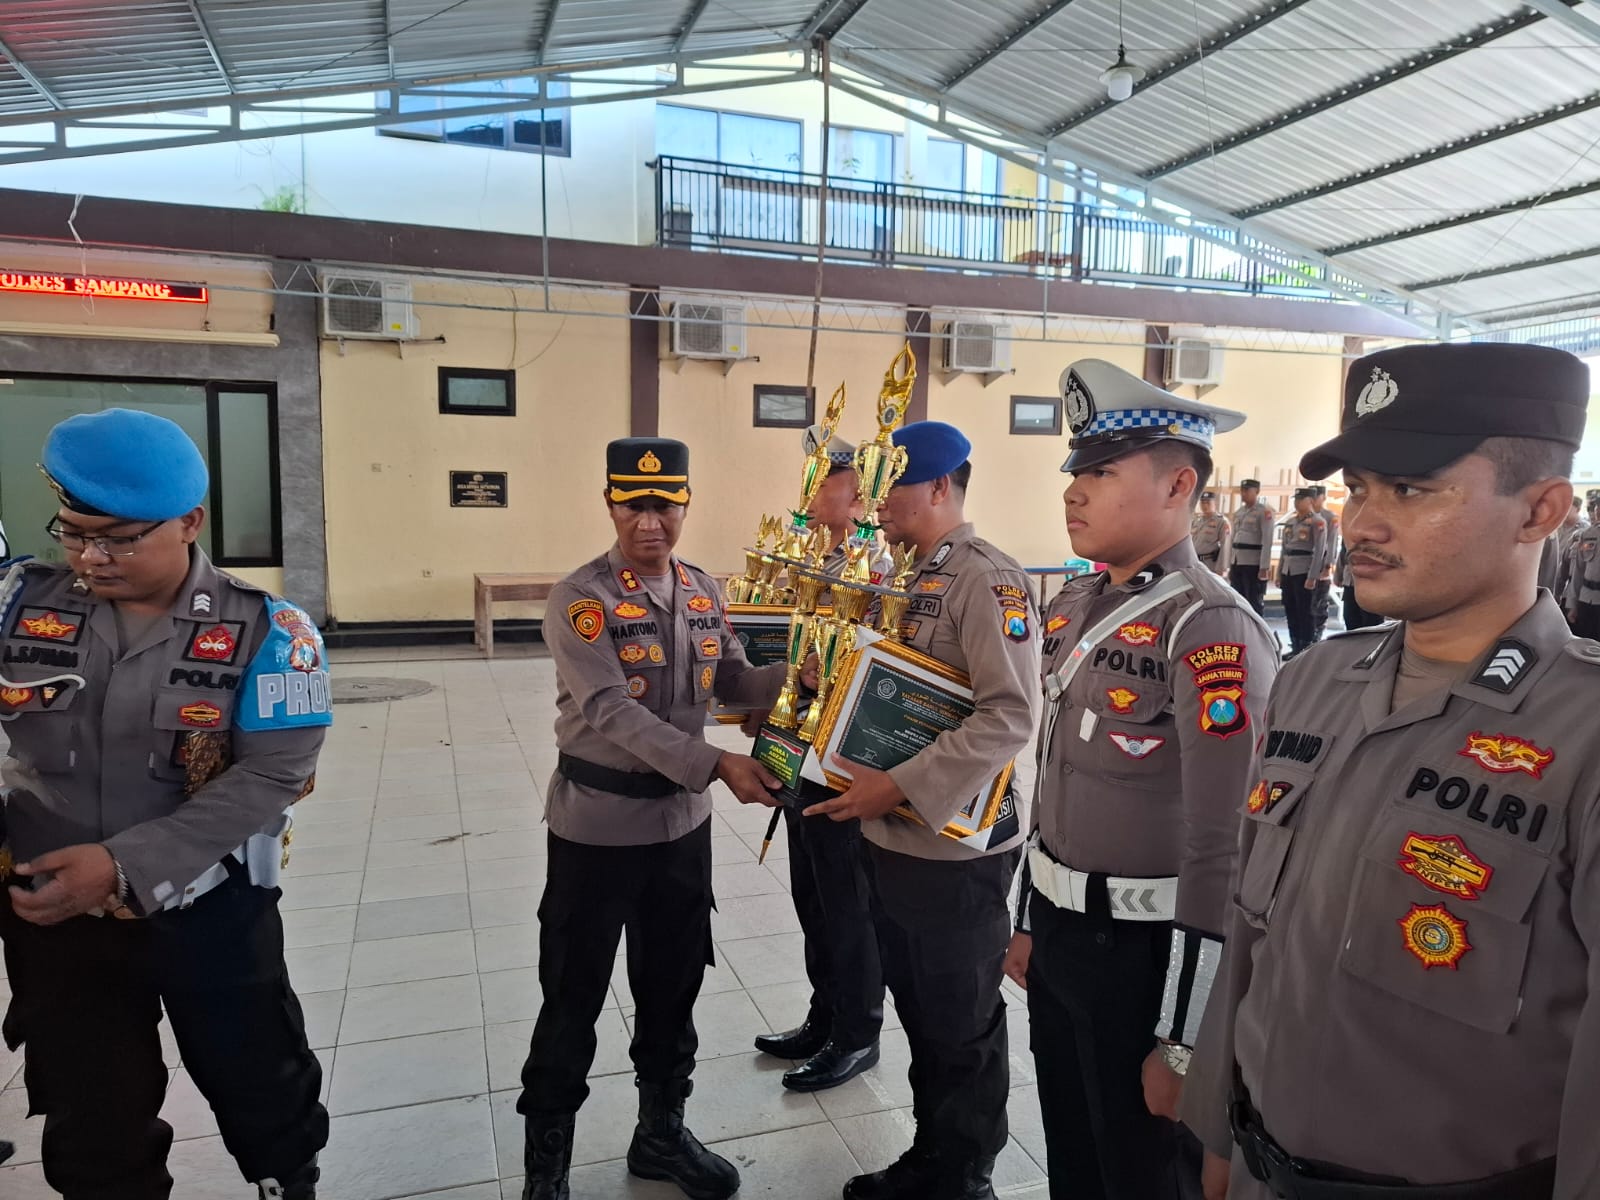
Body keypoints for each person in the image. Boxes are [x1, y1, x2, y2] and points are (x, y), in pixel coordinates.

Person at [1182, 342, 1596, 1200]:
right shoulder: (1314, 682)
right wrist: (1217, 1136)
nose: (1362, 523)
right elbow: (1252, 935)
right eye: (1359, 488)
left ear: (1540, 510)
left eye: (1410, 490)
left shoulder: (1583, 735)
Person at [0, 408, 331, 1199]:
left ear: (190, 522)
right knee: (92, 1117)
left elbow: (273, 775)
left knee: (261, 1083)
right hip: (57, 923)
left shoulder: (271, 632)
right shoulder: (16, 607)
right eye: (74, 533)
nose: (91, 556)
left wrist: (123, 865)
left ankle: (287, 1181)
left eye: (119, 538)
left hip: (207, 909)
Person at [1005, 360, 1277, 1200]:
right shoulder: (1075, 603)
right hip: (1061, 934)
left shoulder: (1209, 626)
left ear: (1178, 484)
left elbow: (1225, 845)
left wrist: (1186, 1039)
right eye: (1076, 472)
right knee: (1074, 1153)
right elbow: (1052, 774)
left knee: (1142, 1173)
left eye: (1101, 472)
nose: (1074, 492)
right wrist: (1029, 919)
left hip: (1146, 957)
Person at [516, 438, 788, 1200]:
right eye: (633, 504)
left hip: (680, 833)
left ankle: (661, 1135)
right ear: (609, 504)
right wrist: (719, 765)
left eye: (664, 504)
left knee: (673, 990)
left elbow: (735, 682)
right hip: (596, 832)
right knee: (572, 996)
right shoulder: (581, 601)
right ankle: (547, 1167)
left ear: (684, 505)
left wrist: (805, 676)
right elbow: (610, 711)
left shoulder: (702, 592)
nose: (649, 521)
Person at [802, 421, 1040, 1200]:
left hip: (954, 848)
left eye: (893, 484)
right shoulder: (908, 574)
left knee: (960, 1019)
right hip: (897, 838)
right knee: (922, 1009)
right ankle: (934, 1155)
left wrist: (898, 785)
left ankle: (966, 1174)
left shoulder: (985, 579)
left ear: (940, 486)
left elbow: (1009, 716)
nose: (877, 500)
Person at [753, 435, 888, 1093]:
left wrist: (825, 672)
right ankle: (824, 1014)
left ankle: (857, 1032)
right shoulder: (814, 557)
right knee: (811, 893)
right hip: (799, 747)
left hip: (843, 759)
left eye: (823, 478)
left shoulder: (878, 564)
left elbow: (882, 661)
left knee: (846, 901)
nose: (809, 488)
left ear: (858, 493)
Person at [1276, 489, 1326, 659]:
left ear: (1310, 500)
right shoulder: (1291, 522)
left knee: (1305, 611)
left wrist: (1313, 576)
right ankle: (1295, 644)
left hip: (1303, 571)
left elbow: (1319, 551)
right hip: (1288, 569)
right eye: (1295, 499)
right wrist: (1279, 573)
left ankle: (1306, 648)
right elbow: (1284, 550)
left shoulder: (1317, 522)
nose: (1296, 503)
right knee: (1290, 608)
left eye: (1300, 499)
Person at [1228, 480, 1276, 617]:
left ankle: (1256, 628)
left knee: (1253, 600)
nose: (1244, 494)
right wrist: (1230, 562)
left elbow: (1267, 540)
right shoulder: (1239, 512)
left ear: (1256, 491)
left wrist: (1264, 567)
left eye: (1247, 490)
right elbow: (1233, 539)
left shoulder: (1264, 512)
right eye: (1242, 491)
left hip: (1253, 563)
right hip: (1237, 561)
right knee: (1238, 599)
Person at [1565, 490, 1600, 638]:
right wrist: (1572, 604)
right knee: (1584, 643)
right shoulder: (1588, 535)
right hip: (1586, 600)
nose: (1596, 511)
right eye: (1596, 507)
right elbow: (1578, 571)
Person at [1308, 486, 1338, 641]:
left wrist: (1328, 565)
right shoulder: (1305, 517)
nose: (1313, 500)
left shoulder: (1329, 517)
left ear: (1323, 498)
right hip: (1306, 564)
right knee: (1306, 602)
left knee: (1320, 601)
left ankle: (1318, 634)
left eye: (1316, 497)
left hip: (1322, 564)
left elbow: (1332, 542)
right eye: (1311, 497)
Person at [1190, 491, 1232, 576]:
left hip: (1210, 564)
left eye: (1208, 502)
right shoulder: (1196, 520)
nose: (1205, 505)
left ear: (1215, 503)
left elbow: (1225, 545)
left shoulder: (1222, 522)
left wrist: (1222, 568)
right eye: (1202, 502)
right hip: (1194, 562)